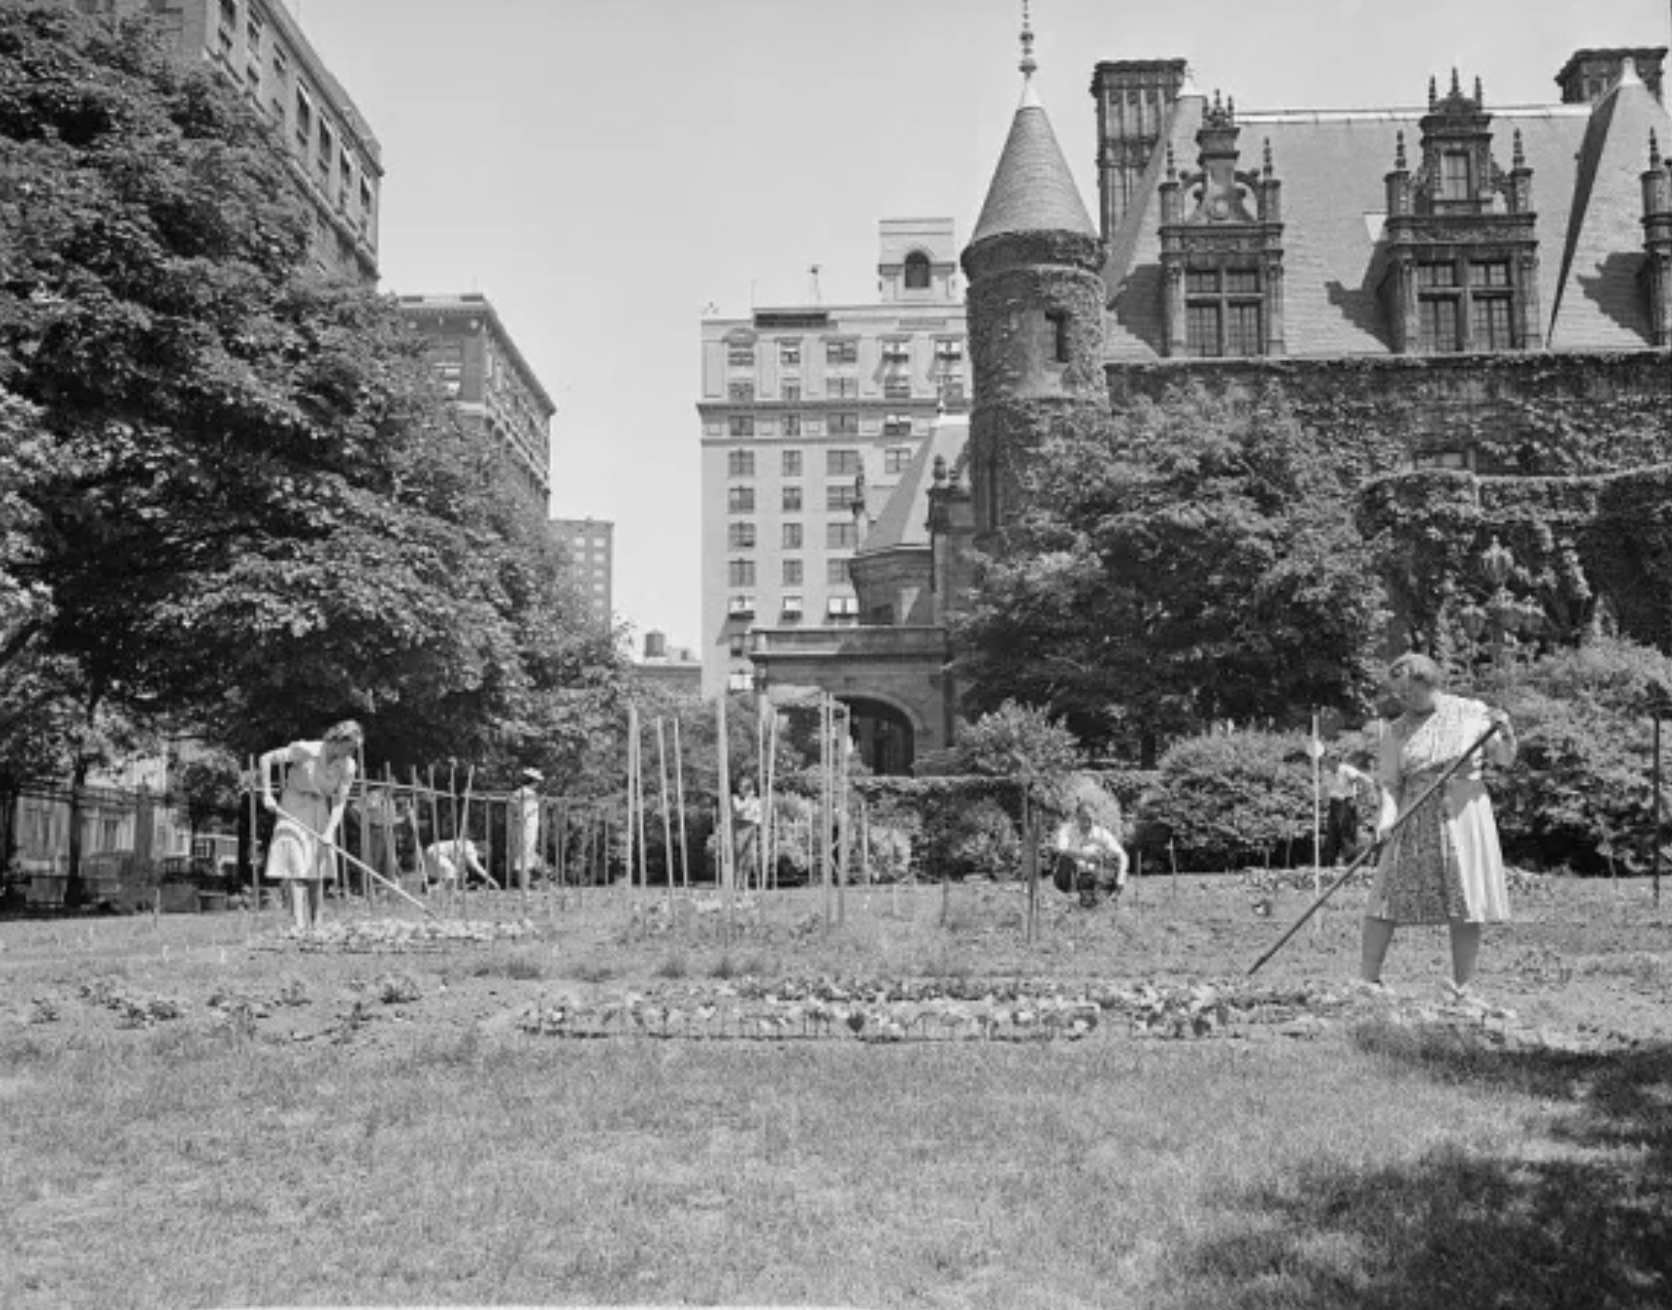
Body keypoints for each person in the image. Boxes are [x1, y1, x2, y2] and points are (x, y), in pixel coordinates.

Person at [1360, 652, 1516, 1001]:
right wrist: (1386, 820)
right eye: (1398, 694)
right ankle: (1367, 982)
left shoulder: (1472, 713)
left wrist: (1505, 730)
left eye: (1410, 693)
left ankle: (1462, 988)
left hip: (1463, 813)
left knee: (1466, 899)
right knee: (1385, 895)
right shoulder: (1396, 730)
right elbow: (1389, 784)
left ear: (1431, 684)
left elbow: (1504, 758)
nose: (1403, 700)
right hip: (1413, 814)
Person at [259, 720, 362, 932]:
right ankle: (298, 923)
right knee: (297, 864)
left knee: (317, 866)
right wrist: (267, 794)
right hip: (294, 806)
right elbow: (266, 758)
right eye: (350, 747)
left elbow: (340, 802)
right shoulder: (307, 750)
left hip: (319, 809)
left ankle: (317, 922)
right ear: (337, 741)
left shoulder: (348, 766)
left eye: (355, 749)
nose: (352, 752)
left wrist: (329, 831)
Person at [1053, 798, 1130, 908]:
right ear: (1076, 817)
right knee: (1065, 858)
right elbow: (1060, 849)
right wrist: (1084, 856)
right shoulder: (1067, 830)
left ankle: (1095, 894)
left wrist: (1121, 878)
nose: (1086, 823)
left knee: (1112, 864)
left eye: (1090, 820)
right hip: (1067, 875)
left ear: (1095, 818)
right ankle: (1072, 893)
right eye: (1082, 819)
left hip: (1092, 876)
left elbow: (1122, 855)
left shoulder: (1102, 833)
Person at [1322, 750, 1374, 866]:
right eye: (1328, 760)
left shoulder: (1346, 770)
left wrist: (1361, 798)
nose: (1328, 763)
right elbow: (1326, 789)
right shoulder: (1328, 773)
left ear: (1336, 760)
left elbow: (1364, 779)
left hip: (1346, 802)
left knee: (1347, 833)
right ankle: (1330, 862)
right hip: (1334, 803)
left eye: (1330, 760)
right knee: (1332, 832)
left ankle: (1350, 862)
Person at [509, 767, 543, 889]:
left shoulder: (516, 793)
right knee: (525, 859)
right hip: (527, 830)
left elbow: (514, 813)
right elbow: (525, 813)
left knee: (525, 857)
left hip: (519, 829)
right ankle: (525, 889)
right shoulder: (529, 795)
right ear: (534, 781)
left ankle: (525, 887)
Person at [422, 836, 489, 889]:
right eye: (484, 855)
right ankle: (433, 888)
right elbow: (477, 867)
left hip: (430, 852)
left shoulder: (466, 844)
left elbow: (460, 870)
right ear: (481, 850)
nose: (482, 858)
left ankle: (458, 887)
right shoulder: (471, 850)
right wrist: (491, 880)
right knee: (452, 873)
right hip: (437, 853)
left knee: (462, 874)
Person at [731, 775, 762, 888]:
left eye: (743, 788)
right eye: (739, 787)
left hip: (750, 827)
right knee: (737, 856)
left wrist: (755, 818)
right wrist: (749, 801)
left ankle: (745, 884)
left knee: (749, 857)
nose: (740, 790)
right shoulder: (734, 798)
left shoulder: (756, 801)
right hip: (739, 828)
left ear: (748, 789)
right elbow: (739, 810)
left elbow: (758, 816)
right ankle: (735, 884)